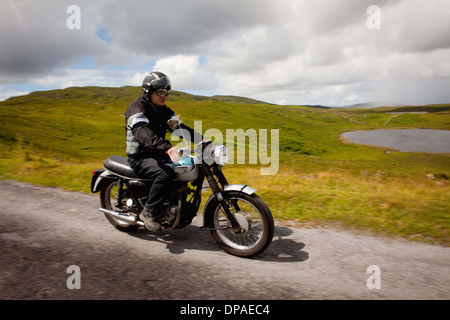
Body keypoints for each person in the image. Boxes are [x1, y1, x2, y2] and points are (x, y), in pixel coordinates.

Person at [125, 72, 203, 231]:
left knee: (191, 166)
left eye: (167, 92)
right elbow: (142, 133)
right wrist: (167, 147)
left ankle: (174, 203)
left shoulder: (163, 110)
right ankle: (149, 212)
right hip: (140, 156)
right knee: (165, 174)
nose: (164, 96)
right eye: (160, 92)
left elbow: (178, 128)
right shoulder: (137, 108)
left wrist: (201, 139)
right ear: (149, 91)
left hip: (157, 154)